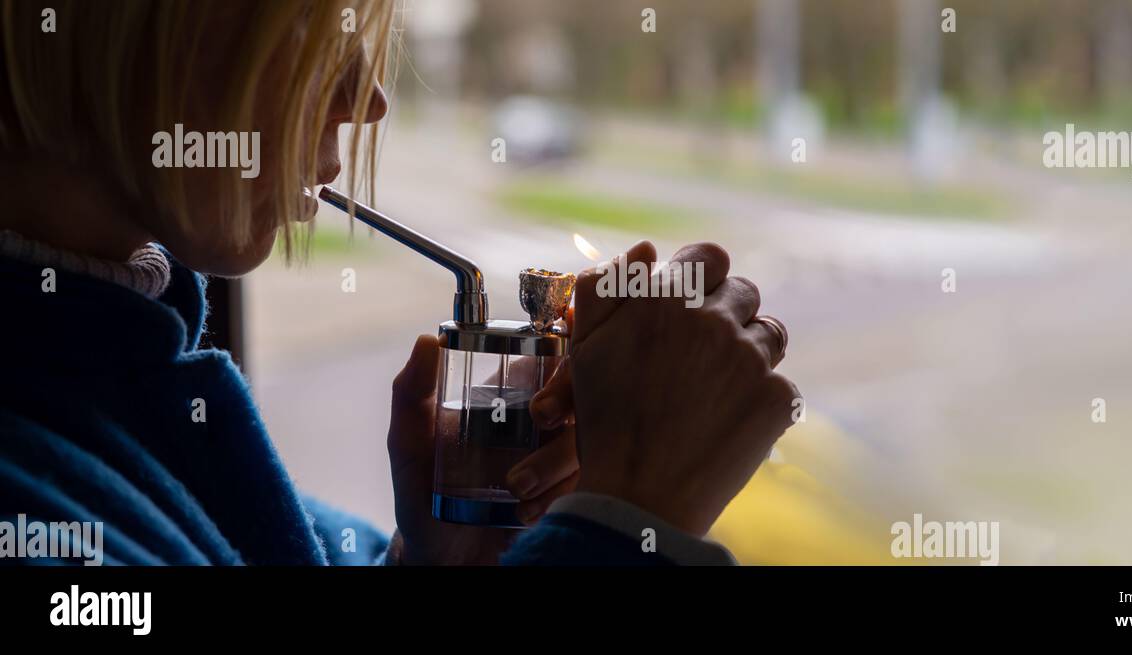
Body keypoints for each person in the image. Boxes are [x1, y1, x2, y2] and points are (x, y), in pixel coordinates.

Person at [0, 0, 797, 565]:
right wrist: (630, 519)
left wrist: (445, 562)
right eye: (309, 21)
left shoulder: (116, 372)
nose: (363, 99)